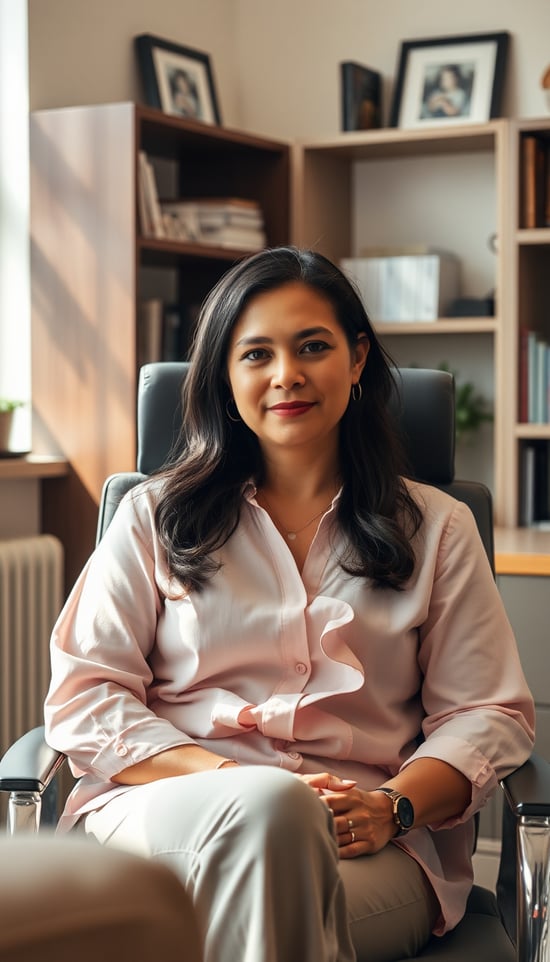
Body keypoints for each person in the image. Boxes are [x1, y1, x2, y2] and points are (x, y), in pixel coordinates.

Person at [44, 247, 535, 962]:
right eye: (256, 355)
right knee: (271, 819)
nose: (286, 376)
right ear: (225, 375)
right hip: (165, 815)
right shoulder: (153, 517)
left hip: (365, 844)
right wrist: (241, 784)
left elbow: (486, 713)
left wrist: (391, 806)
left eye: (312, 347)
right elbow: (85, 699)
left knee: (249, 891)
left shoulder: (436, 529)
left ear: (357, 358)